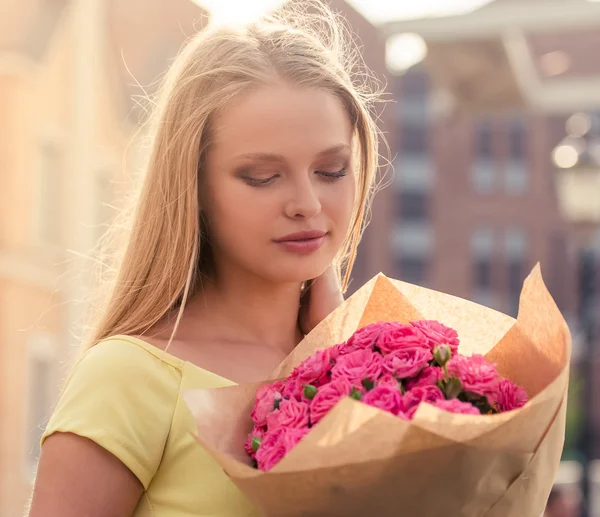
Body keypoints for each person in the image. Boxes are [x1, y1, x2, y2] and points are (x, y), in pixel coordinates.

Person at [27, 2, 382, 516]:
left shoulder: (385, 370)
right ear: (191, 186)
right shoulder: (131, 378)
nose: (306, 202)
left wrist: (340, 352)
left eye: (331, 171)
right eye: (262, 176)